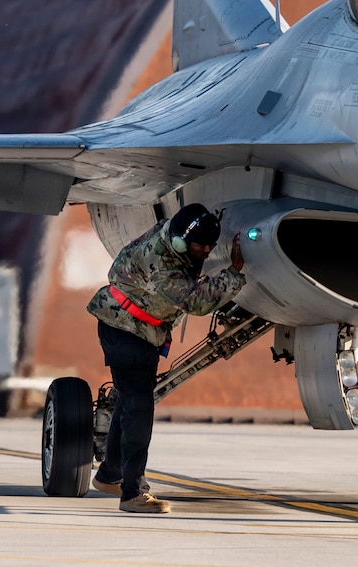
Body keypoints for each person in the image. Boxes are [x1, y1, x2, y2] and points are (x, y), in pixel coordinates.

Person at [85, 203, 247, 515]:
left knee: (128, 403)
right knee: (138, 411)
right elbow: (198, 303)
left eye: (210, 245)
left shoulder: (170, 234)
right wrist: (234, 272)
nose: (206, 251)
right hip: (127, 332)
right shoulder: (162, 265)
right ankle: (133, 493)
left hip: (131, 327)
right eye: (200, 246)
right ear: (181, 242)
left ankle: (110, 474)